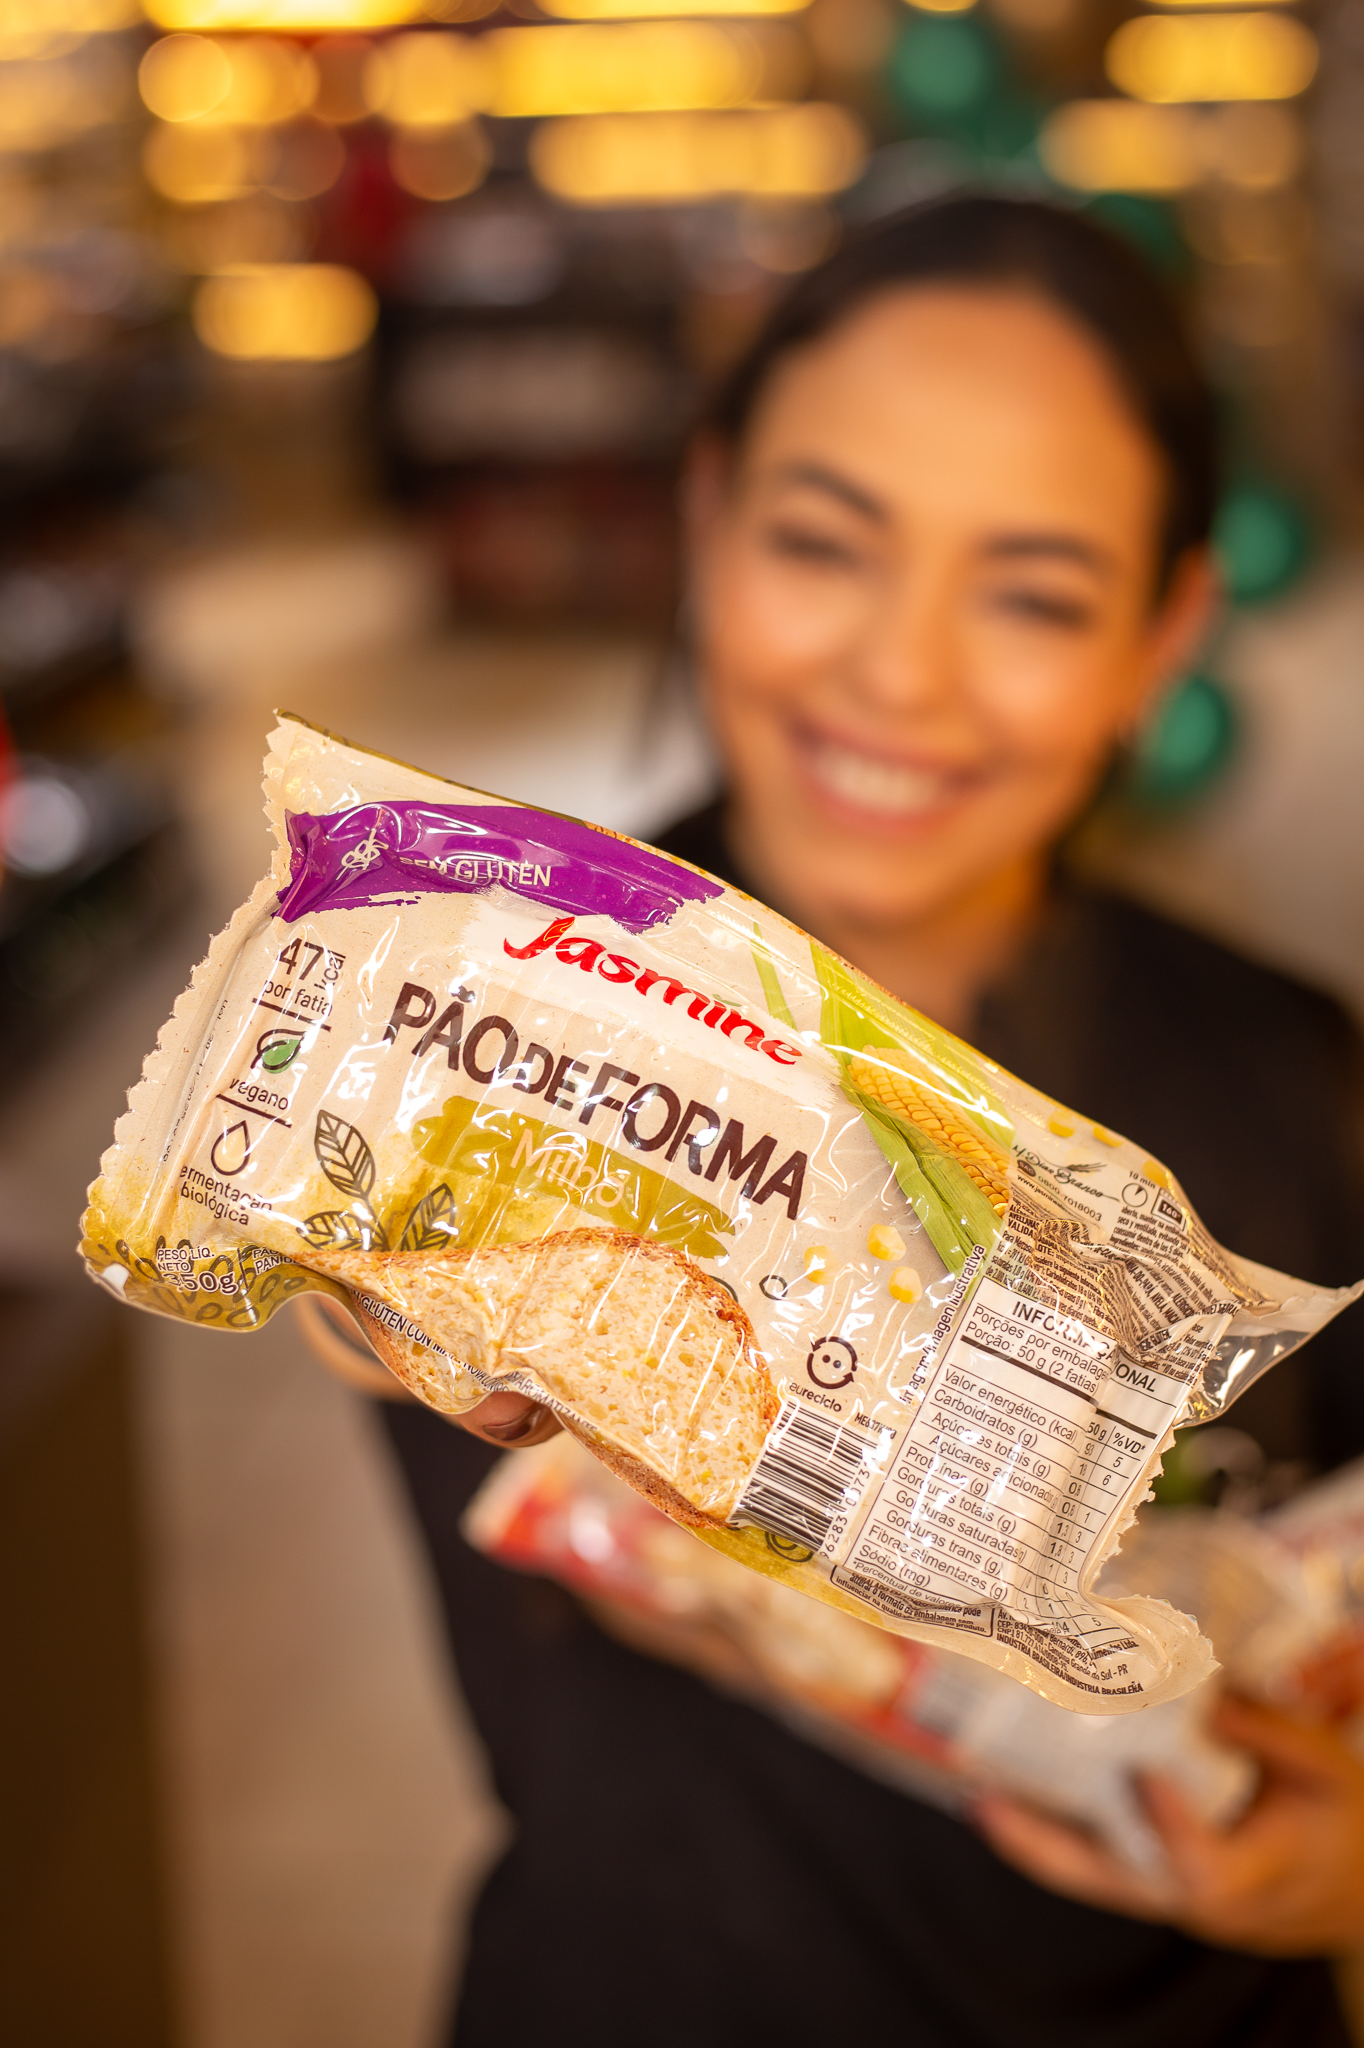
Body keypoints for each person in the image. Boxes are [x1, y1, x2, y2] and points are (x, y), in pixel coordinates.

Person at [366, 196, 1364, 2045]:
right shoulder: (484, 1019)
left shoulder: (1293, 1076)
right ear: (707, 520)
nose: (899, 676)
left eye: (1032, 595)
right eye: (824, 544)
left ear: (1162, 637)